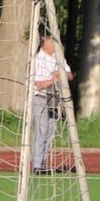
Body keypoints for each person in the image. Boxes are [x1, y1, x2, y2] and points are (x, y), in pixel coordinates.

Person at [31, 33, 72, 173]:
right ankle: (37, 165)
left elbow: (69, 75)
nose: (57, 46)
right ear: (47, 44)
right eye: (54, 43)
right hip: (41, 98)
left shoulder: (58, 58)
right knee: (41, 130)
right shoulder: (37, 60)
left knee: (50, 131)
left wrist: (61, 74)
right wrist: (53, 79)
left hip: (54, 99)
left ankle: (42, 162)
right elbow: (38, 85)